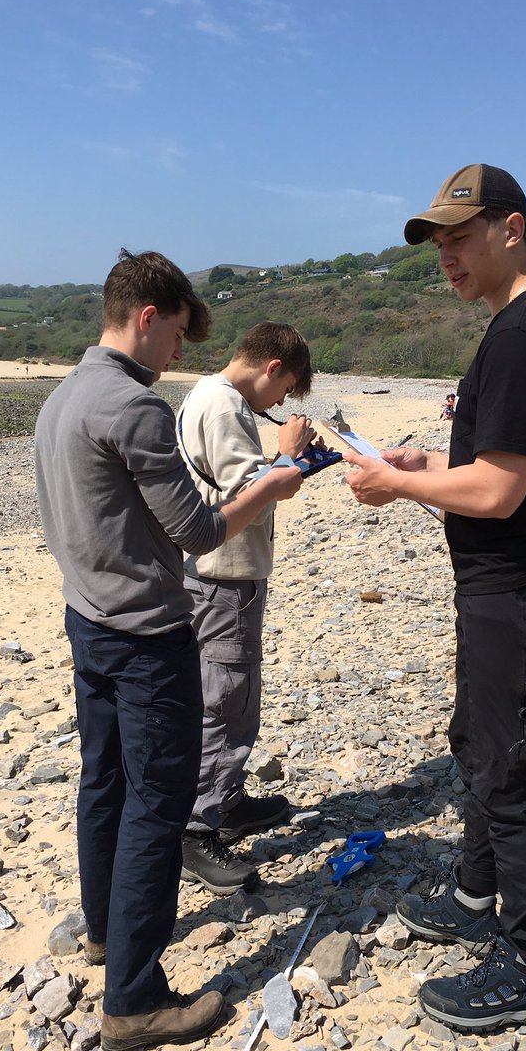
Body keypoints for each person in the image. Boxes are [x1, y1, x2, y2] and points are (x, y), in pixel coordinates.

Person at [343, 164, 526, 1032]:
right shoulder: (508, 330)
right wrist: (422, 467)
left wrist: (397, 486)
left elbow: (499, 492)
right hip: (498, 589)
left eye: (459, 236)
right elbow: (493, 465)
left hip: (523, 591)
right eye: (438, 243)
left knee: (514, 771)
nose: (445, 256)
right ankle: (476, 891)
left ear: (511, 229)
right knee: (479, 745)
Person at [34, 250, 302, 1051]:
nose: (179, 355)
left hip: (87, 620)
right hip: (147, 636)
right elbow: (199, 530)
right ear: (146, 317)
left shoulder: (61, 400)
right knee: (157, 803)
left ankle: (104, 935)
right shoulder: (132, 406)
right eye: (177, 335)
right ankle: (135, 1000)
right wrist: (276, 479)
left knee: (103, 783)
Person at [177, 323, 315, 893]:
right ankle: (197, 826)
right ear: (272, 367)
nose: (280, 404)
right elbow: (246, 496)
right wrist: (288, 458)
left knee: (225, 693)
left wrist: (297, 465)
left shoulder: (207, 396)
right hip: (226, 576)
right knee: (228, 699)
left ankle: (225, 802)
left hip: (215, 573)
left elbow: (232, 483)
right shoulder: (225, 405)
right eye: (285, 391)